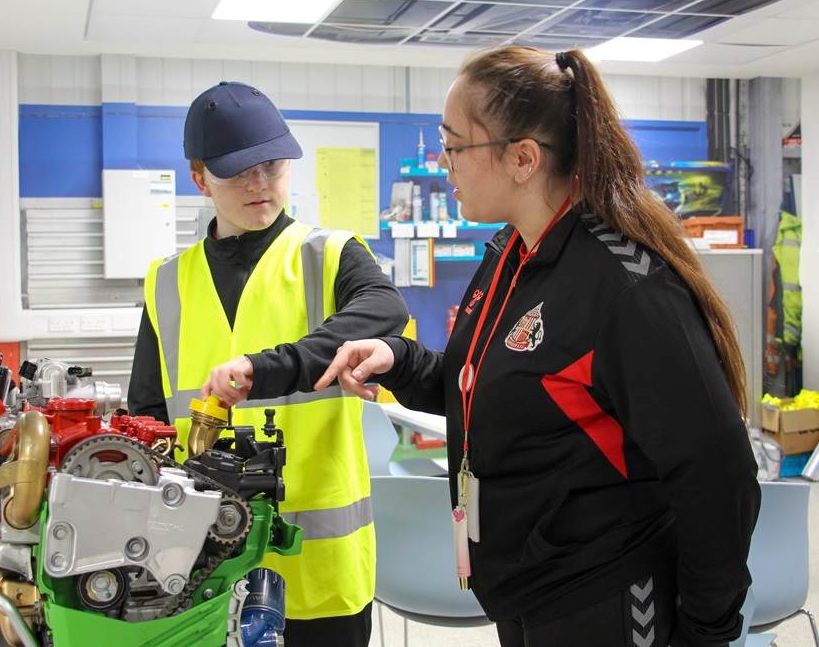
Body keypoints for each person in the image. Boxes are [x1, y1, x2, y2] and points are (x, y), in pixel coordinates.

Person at [316, 47, 761, 647]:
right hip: (525, 593)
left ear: (523, 158)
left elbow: (718, 473)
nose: (445, 165)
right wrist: (401, 360)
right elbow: (493, 388)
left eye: (455, 146)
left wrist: (707, 631)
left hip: (609, 600)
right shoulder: (510, 254)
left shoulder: (624, 288)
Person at [128, 80, 409, 646]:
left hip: (319, 566)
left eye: (273, 167)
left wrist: (266, 367)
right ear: (199, 176)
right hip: (202, 564)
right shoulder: (166, 282)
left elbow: (385, 308)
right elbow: (148, 414)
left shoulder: (330, 253)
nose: (260, 185)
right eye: (239, 172)